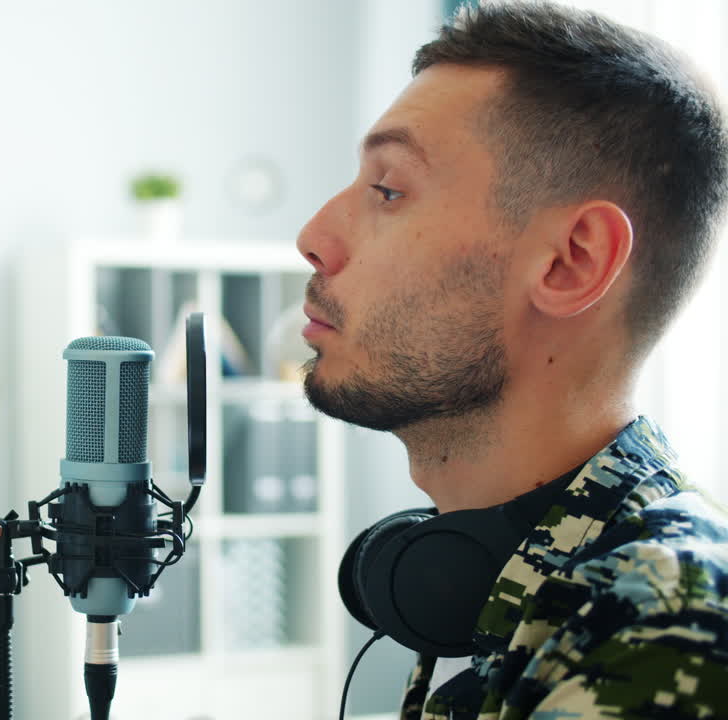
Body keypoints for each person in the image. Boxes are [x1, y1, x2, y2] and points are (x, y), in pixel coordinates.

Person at [296, 1, 728, 718]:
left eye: (389, 190)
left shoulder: (662, 631)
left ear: (570, 261)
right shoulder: (519, 585)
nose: (314, 237)